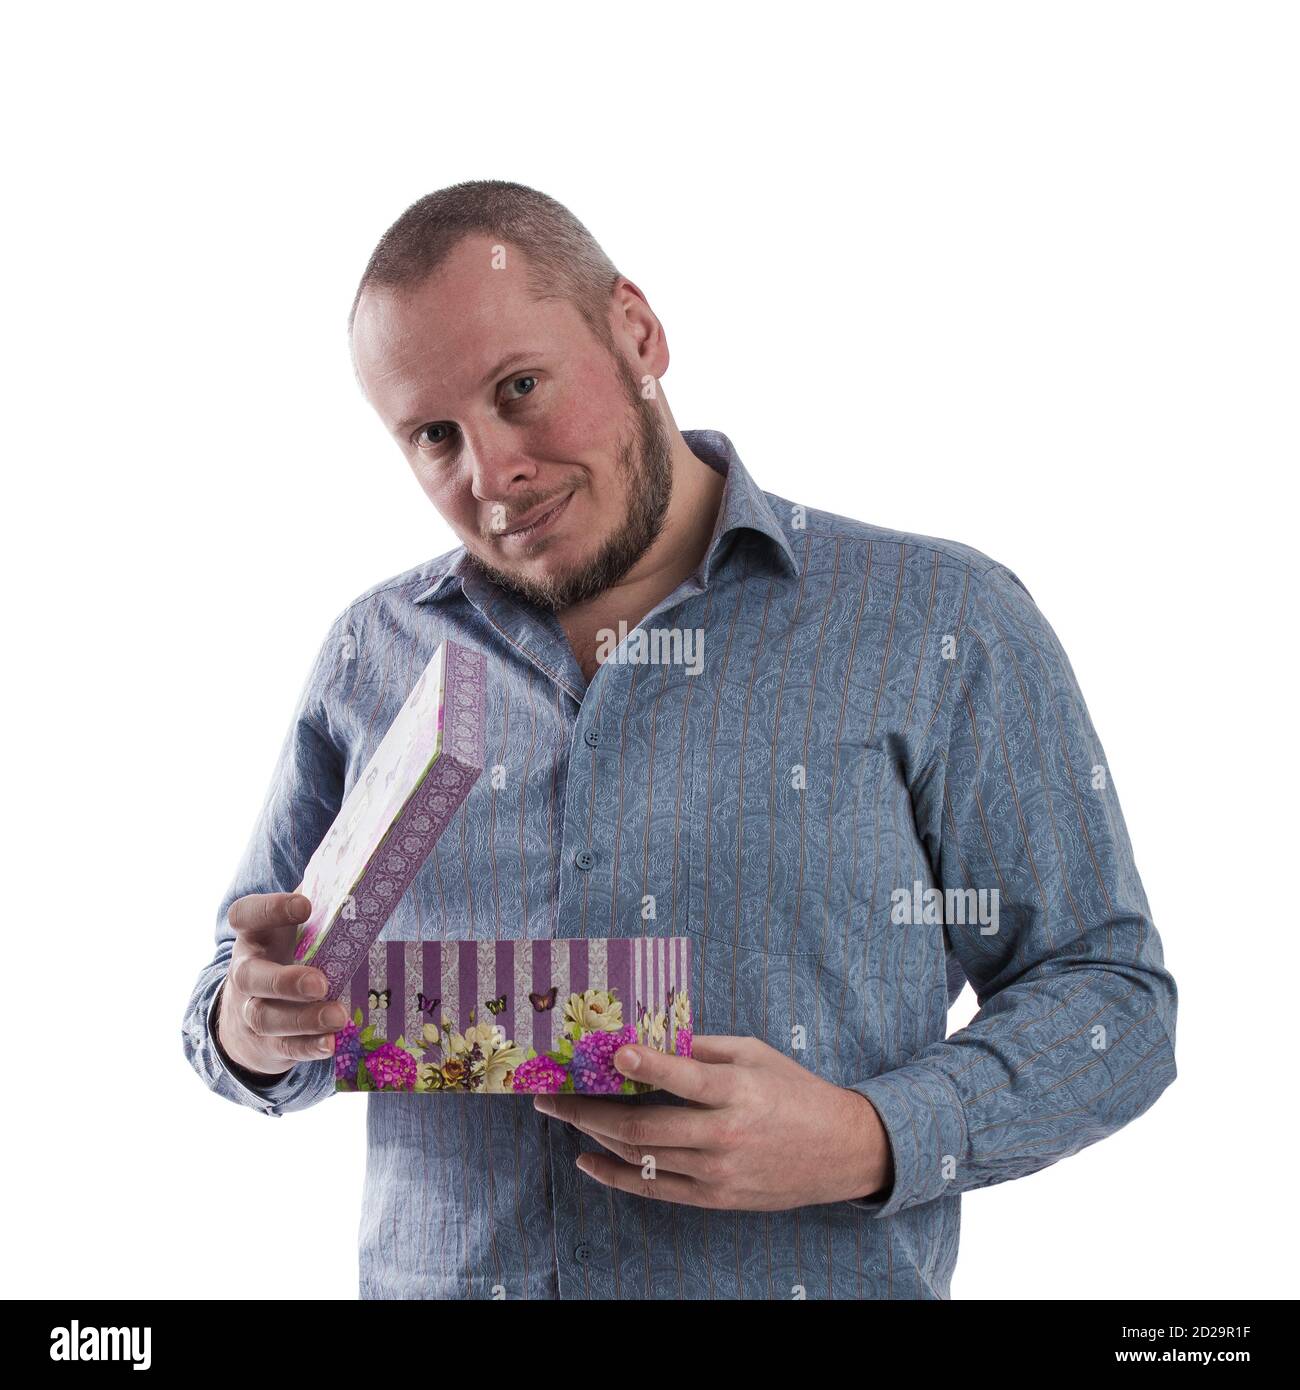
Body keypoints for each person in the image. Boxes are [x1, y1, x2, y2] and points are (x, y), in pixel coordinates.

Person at [181, 179, 1178, 1299]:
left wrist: (866, 1135)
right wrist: (251, 1021)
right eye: (433, 435)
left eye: (520, 388)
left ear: (637, 332)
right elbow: (233, 994)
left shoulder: (937, 620)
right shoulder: (373, 651)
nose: (491, 470)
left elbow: (1112, 997)